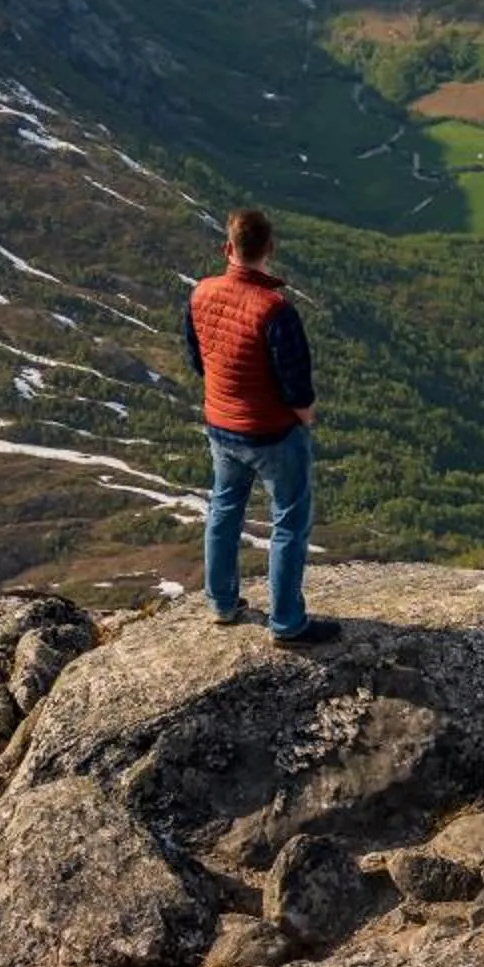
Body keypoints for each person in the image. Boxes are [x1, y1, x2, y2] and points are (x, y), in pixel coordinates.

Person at [182, 208, 335, 646]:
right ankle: (287, 623)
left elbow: (198, 359)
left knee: (224, 509)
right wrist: (304, 415)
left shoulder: (200, 294)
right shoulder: (275, 309)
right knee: (289, 521)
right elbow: (295, 381)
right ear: (270, 249)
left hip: (221, 426)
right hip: (271, 432)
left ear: (228, 248)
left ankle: (222, 603)